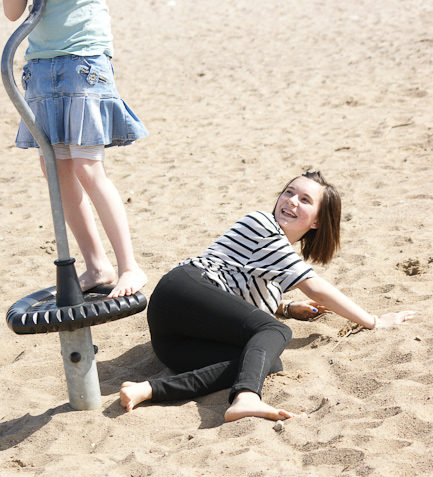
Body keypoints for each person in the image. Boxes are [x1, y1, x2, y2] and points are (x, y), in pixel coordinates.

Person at [119, 171, 415, 421]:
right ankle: (247, 398)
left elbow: (238, 305)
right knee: (276, 332)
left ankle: (149, 389)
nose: (291, 201)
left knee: (265, 362)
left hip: (173, 345)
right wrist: (374, 321)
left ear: (317, 222)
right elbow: (314, 287)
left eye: (305, 200)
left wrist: (286, 308)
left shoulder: (274, 266)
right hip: (182, 290)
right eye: (289, 192)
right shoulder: (262, 224)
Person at [3, 0, 148, 298]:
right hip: (40, 65)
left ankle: (129, 266)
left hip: (84, 60)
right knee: (55, 170)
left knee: (88, 168)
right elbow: (13, 13)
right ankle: (97, 266)